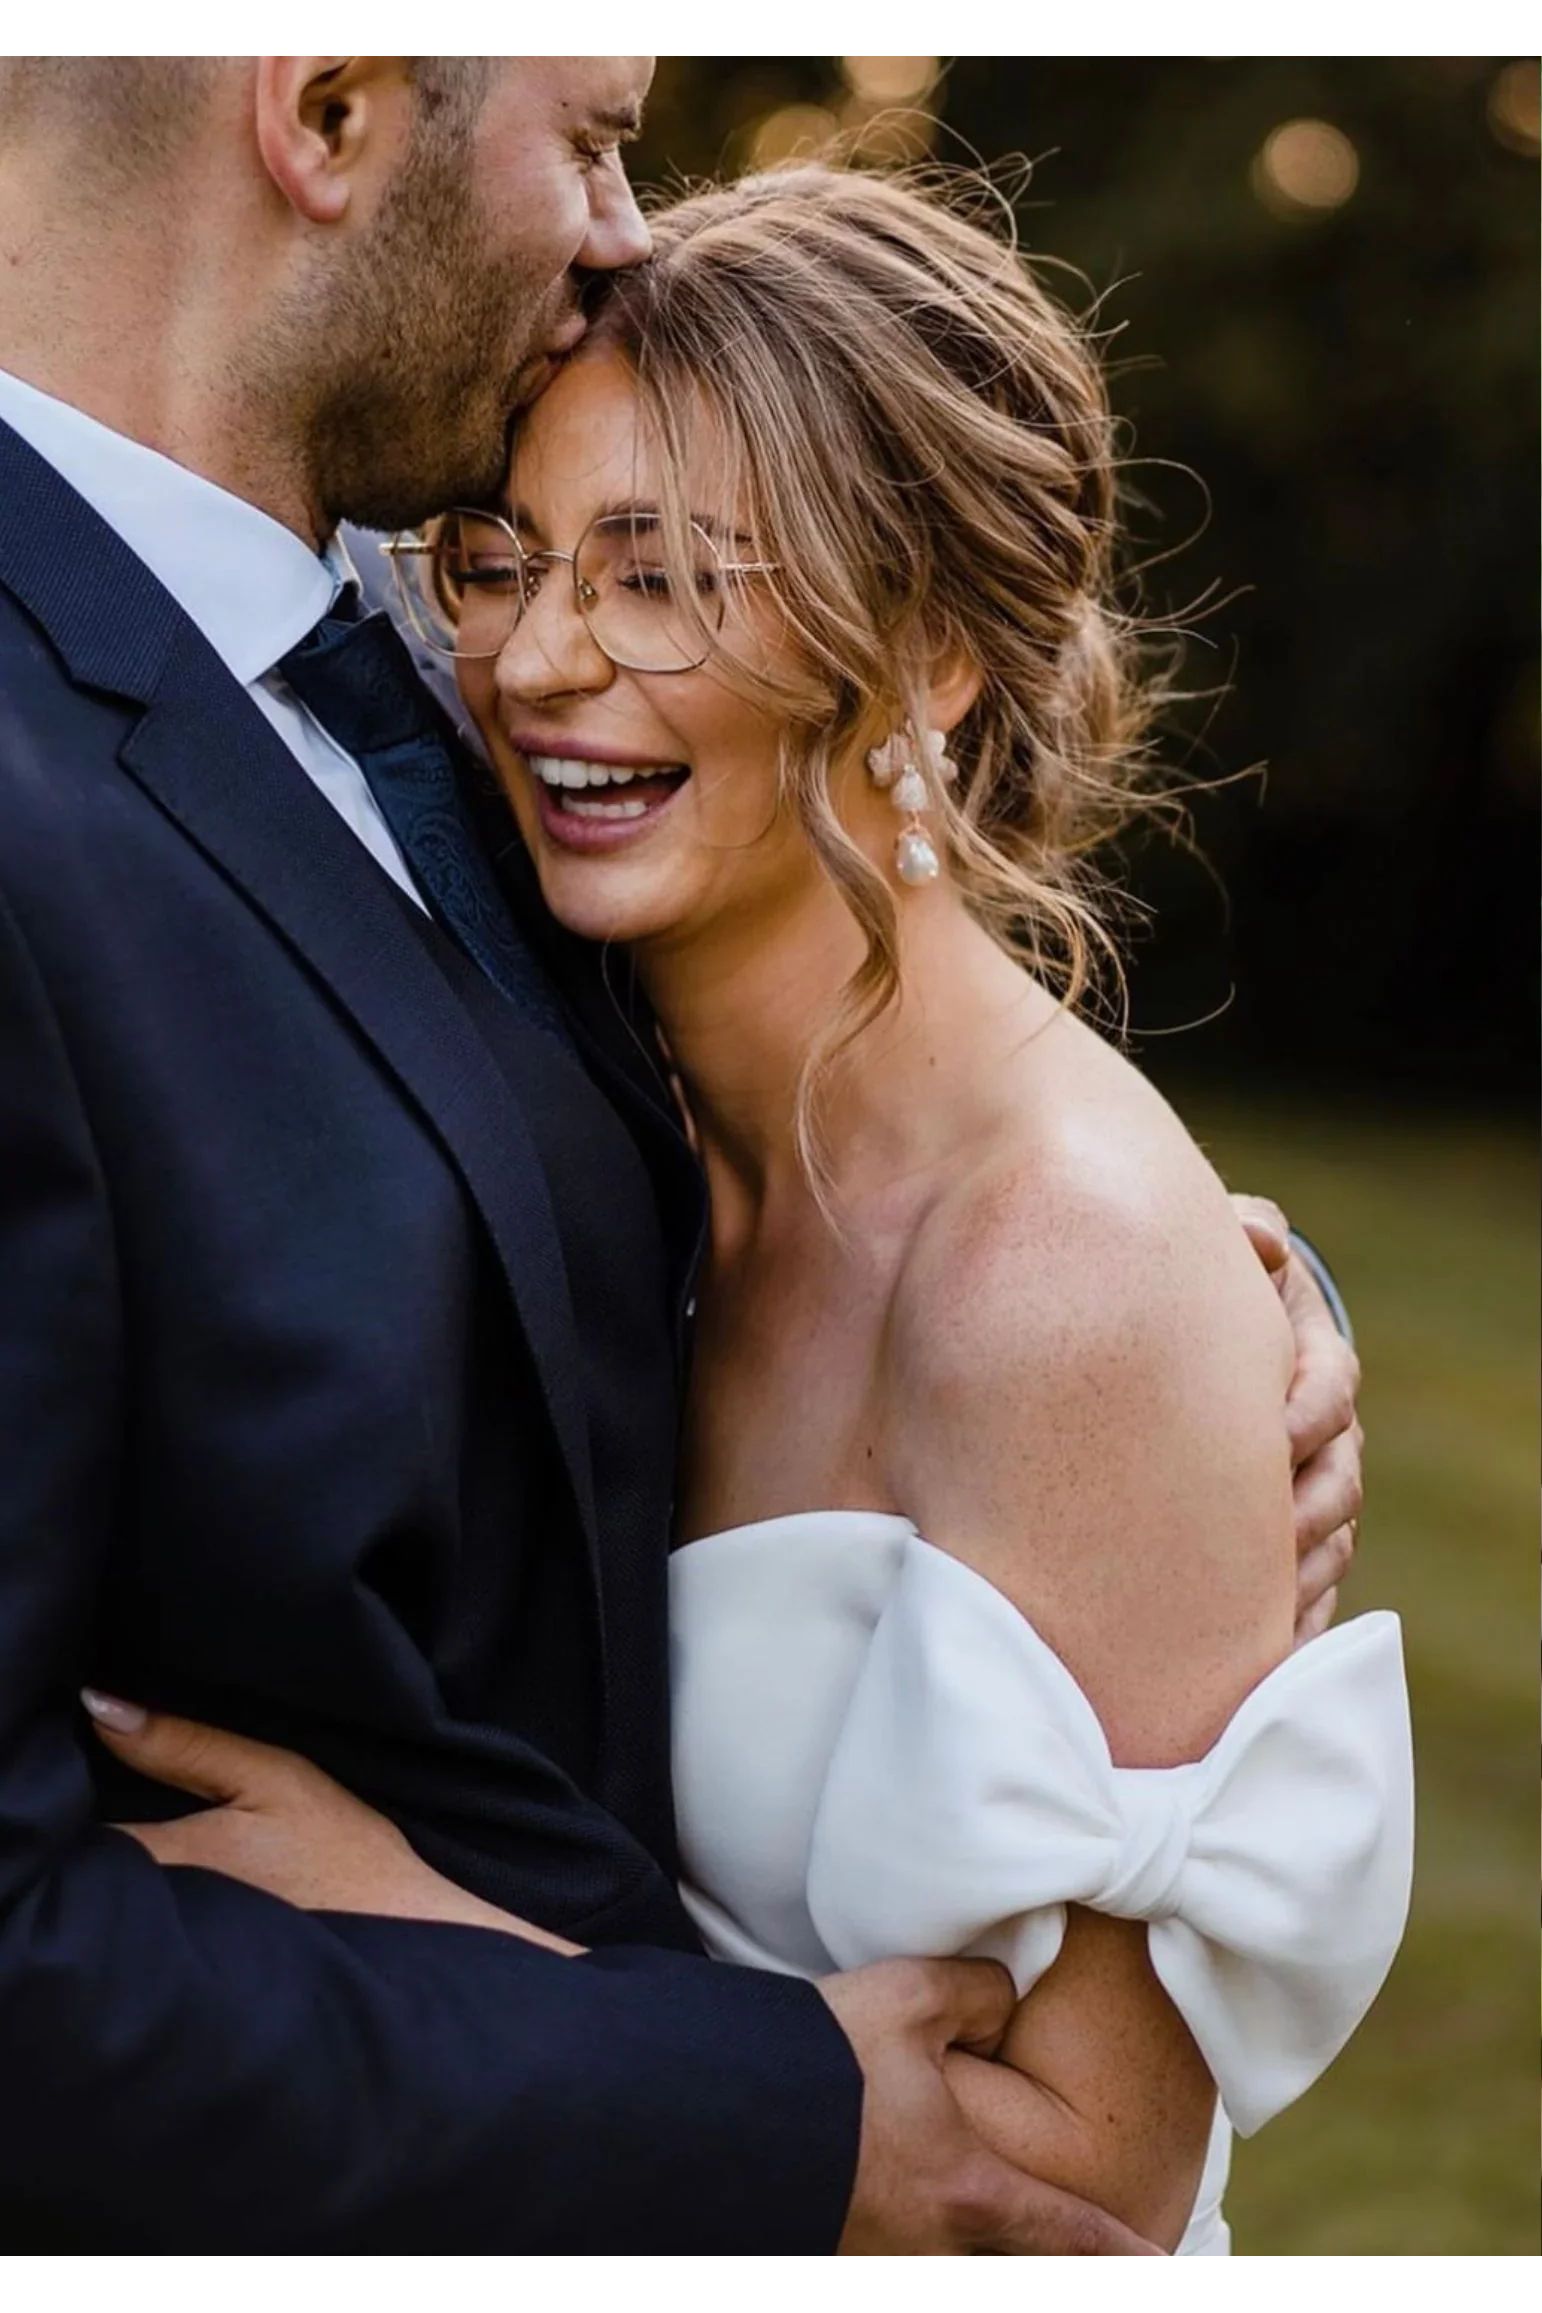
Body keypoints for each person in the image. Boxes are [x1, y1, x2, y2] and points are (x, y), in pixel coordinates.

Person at [0, 59, 1366, 2254]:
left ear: (925, 648)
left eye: (654, 576)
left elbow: (1071, 2208)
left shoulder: (1066, 1268)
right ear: (322, 111)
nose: (541, 655)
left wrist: (430, 1931)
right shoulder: (449, 811)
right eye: (508, 565)